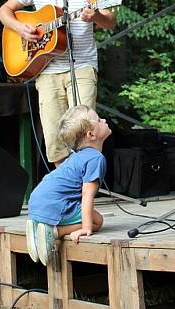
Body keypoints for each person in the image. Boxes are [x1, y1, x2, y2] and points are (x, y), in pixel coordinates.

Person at [0, 0, 116, 166]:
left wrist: (97, 16)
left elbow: (110, 21)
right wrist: (20, 28)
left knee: (85, 130)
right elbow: (4, 11)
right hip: (47, 68)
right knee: (54, 137)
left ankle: (86, 186)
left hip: (81, 65)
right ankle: (67, 187)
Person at [25, 105, 110, 264]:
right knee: (97, 221)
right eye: (99, 120)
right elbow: (87, 195)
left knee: (91, 217)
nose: (104, 120)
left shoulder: (77, 157)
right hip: (53, 204)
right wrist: (86, 227)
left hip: (37, 201)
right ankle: (54, 231)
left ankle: (38, 229)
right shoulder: (95, 158)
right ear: (91, 134)